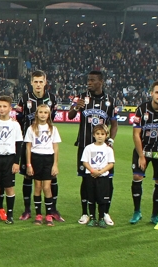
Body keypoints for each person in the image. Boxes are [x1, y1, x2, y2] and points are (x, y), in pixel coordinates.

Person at [68, 70, 119, 226]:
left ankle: (105, 213)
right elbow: (70, 116)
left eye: (92, 80)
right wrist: (76, 107)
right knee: (86, 180)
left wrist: (110, 140)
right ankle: (85, 213)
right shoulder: (81, 98)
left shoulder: (110, 101)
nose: (89, 82)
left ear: (101, 82)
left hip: (103, 148)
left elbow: (114, 124)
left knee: (107, 180)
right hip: (85, 146)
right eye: (88, 80)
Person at [16, 70, 61, 221]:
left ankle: (52, 209)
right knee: (28, 177)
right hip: (30, 144)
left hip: (46, 147)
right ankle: (27, 209)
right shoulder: (24, 99)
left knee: (51, 179)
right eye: (35, 81)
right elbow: (20, 119)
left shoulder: (52, 98)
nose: (38, 84)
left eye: (41, 81)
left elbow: (52, 118)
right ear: (31, 82)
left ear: (45, 82)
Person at [131, 81, 158, 225]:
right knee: (137, 176)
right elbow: (136, 134)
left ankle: (155, 214)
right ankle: (137, 211)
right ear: (151, 93)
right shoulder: (141, 109)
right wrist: (141, 156)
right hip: (143, 149)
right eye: (157, 92)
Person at [0, 96, 23, 224]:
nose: (1, 109)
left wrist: (17, 162)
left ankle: (10, 215)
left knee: (9, 188)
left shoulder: (15, 125)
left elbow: (19, 145)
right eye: (0, 106)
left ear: (10, 108)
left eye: (4, 106)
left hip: (9, 159)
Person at [24, 104, 61, 226]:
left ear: (49, 114)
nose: (43, 115)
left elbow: (55, 148)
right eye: (41, 112)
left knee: (47, 187)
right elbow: (28, 147)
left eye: (45, 112)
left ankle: (49, 215)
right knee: (38, 187)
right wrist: (29, 164)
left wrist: (55, 164)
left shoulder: (53, 129)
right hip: (36, 158)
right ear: (37, 114)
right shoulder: (31, 128)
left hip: (48, 159)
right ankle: (39, 215)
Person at [80, 125, 115, 228]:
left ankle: (101, 218)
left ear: (106, 136)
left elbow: (111, 163)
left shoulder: (108, 149)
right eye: (98, 134)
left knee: (102, 199)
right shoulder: (88, 148)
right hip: (91, 176)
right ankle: (92, 218)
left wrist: (101, 172)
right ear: (93, 135)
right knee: (91, 198)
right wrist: (92, 170)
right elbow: (85, 161)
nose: (100, 136)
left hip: (103, 177)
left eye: (102, 134)